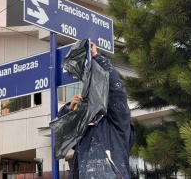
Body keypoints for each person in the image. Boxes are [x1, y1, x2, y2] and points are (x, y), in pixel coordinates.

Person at [57, 42, 134, 179]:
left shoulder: (117, 123)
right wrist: (69, 110)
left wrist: (97, 58)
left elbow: (117, 92)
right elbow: (64, 135)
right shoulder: (85, 127)